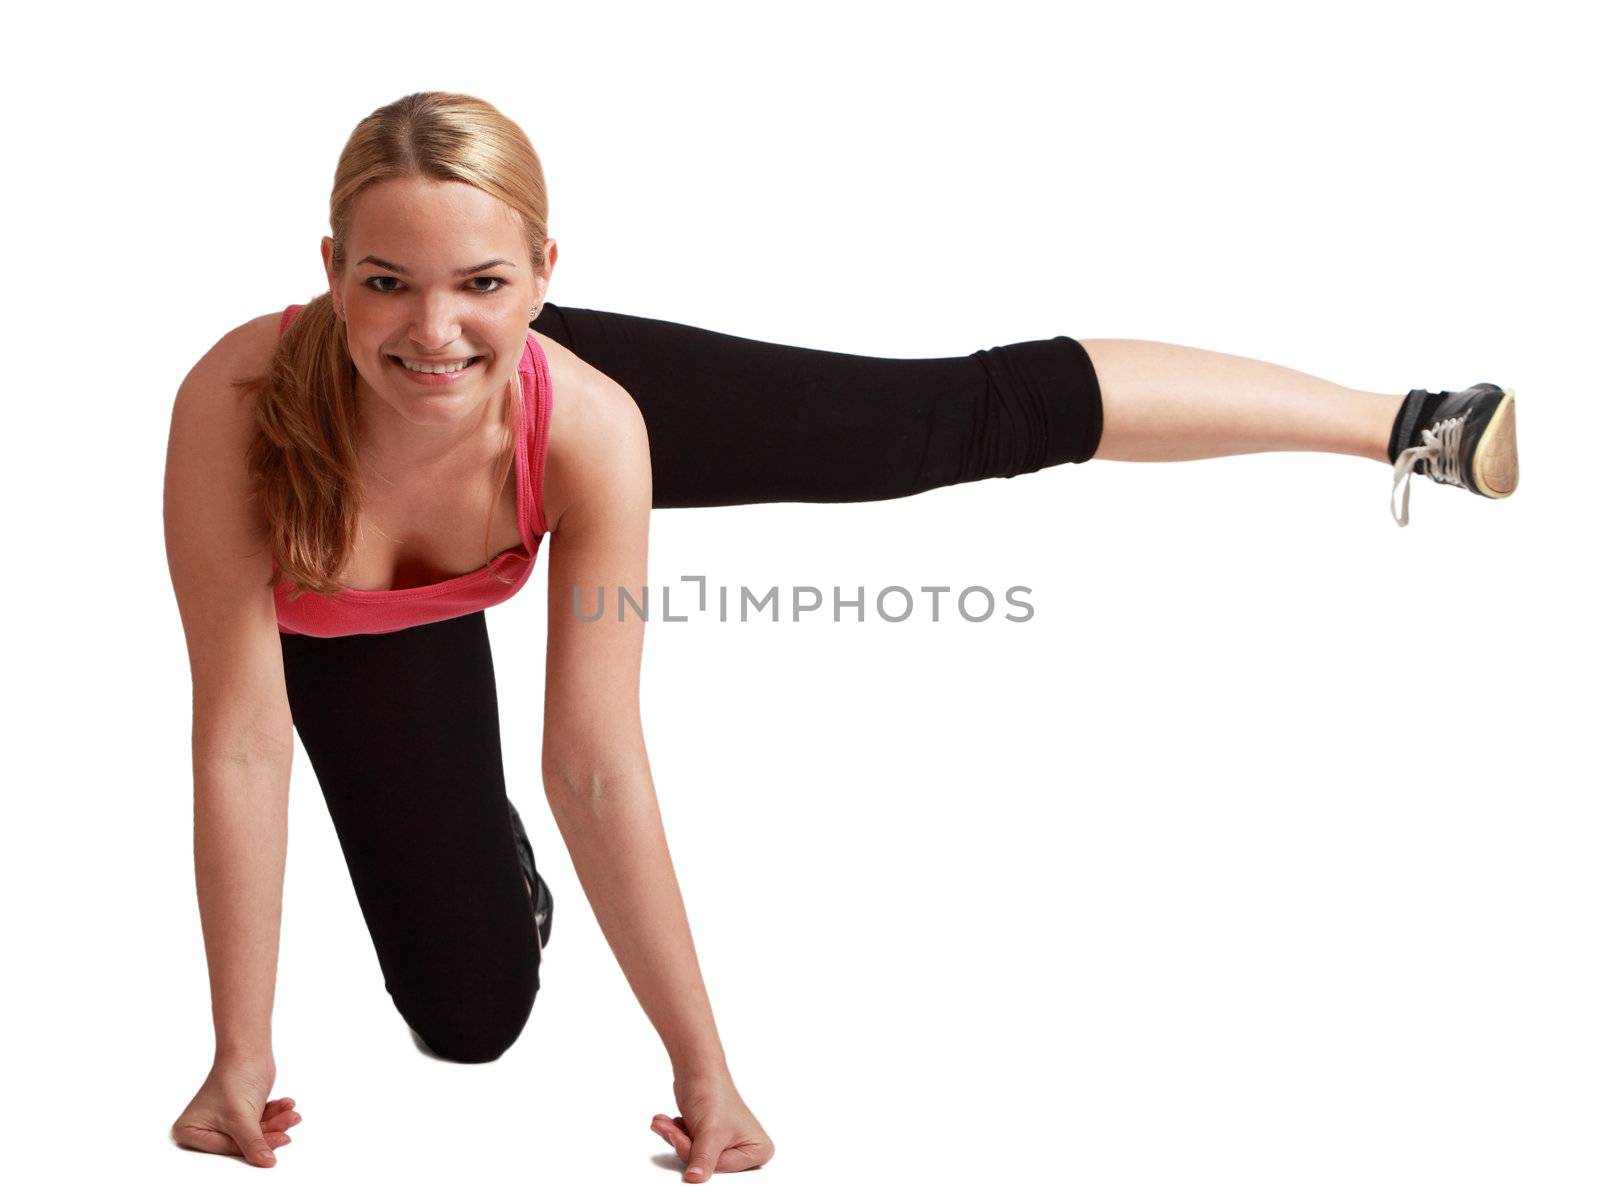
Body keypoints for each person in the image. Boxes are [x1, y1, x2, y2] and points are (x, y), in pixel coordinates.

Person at [161, 91, 1519, 1184]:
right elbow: (240, 742)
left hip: (533, 436)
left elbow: (596, 760)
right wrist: (240, 1052)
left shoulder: (587, 418)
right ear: (331, 268)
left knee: (933, 423)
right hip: (355, 620)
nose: (433, 324)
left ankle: (1406, 421)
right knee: (471, 1023)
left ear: (542, 278)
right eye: (387, 279)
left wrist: (702, 1071)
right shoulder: (234, 405)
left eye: (482, 280)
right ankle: (480, 855)